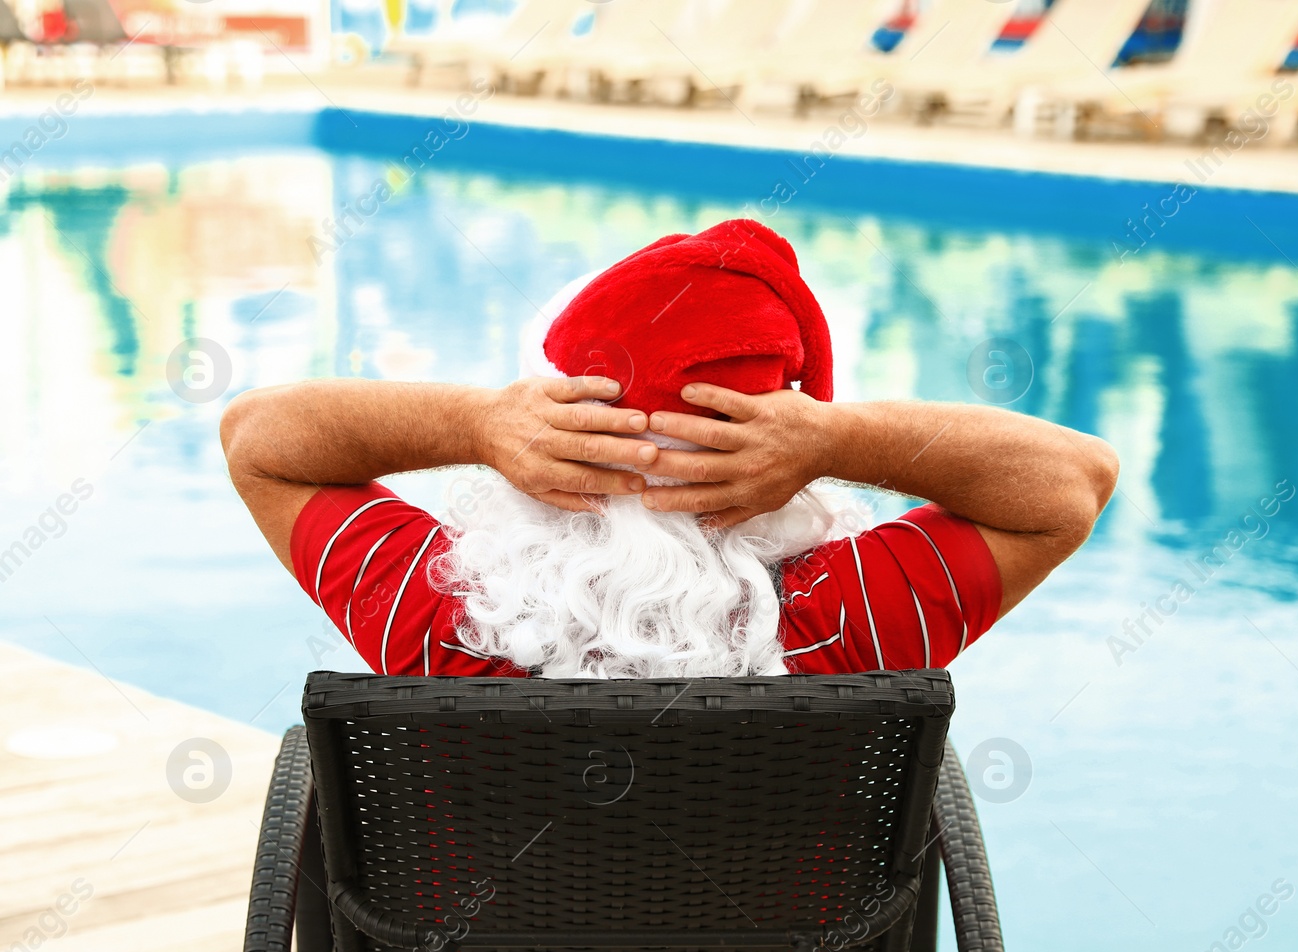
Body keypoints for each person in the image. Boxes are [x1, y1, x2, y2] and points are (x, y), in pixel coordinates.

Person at [221, 219, 1118, 679]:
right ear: (776, 457)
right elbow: (1076, 480)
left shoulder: (435, 613)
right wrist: (836, 438)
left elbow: (255, 437)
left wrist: (479, 424)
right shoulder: (855, 620)